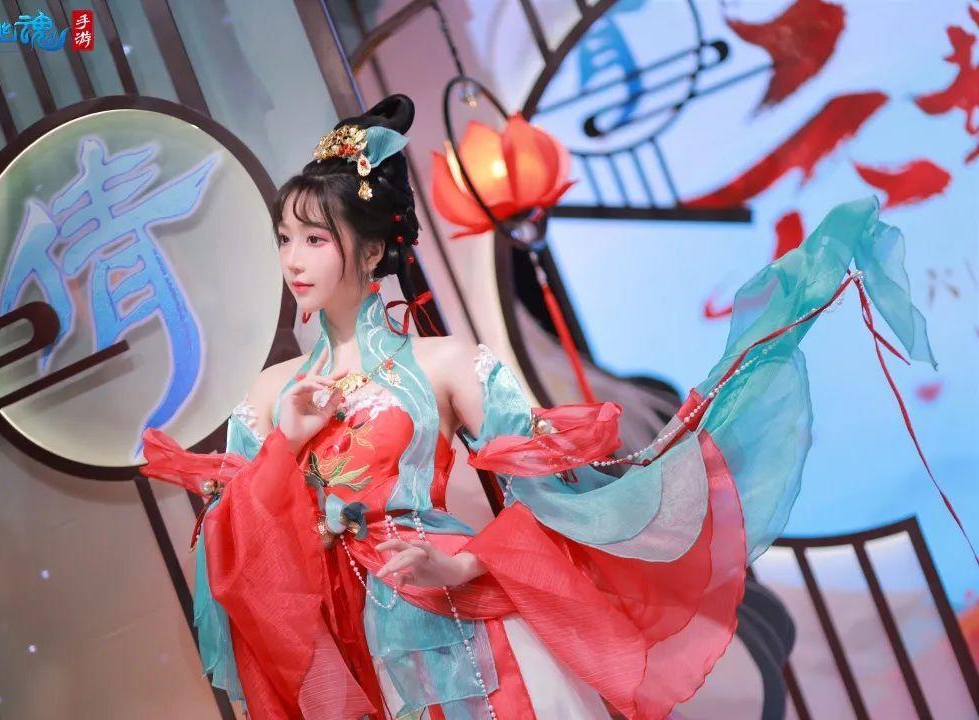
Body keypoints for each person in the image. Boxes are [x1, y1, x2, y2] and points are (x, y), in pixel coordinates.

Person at [140, 94, 937, 720]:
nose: (293, 260)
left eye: (314, 239)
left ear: (373, 249)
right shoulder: (270, 394)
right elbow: (228, 560)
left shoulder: (448, 363)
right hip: (345, 653)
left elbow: (553, 502)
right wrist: (285, 444)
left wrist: (463, 563)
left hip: (464, 630)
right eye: (285, 239)